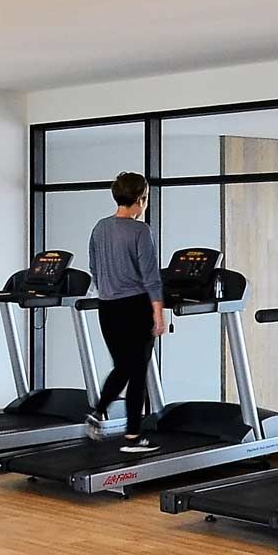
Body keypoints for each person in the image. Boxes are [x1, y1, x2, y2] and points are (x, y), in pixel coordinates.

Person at [86, 172, 167, 453]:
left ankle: (99, 411)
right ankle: (133, 435)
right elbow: (151, 277)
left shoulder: (100, 227)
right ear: (140, 199)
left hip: (107, 308)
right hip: (135, 307)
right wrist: (158, 314)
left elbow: (94, 269)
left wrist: (109, 289)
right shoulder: (140, 231)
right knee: (137, 371)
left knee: (123, 366)